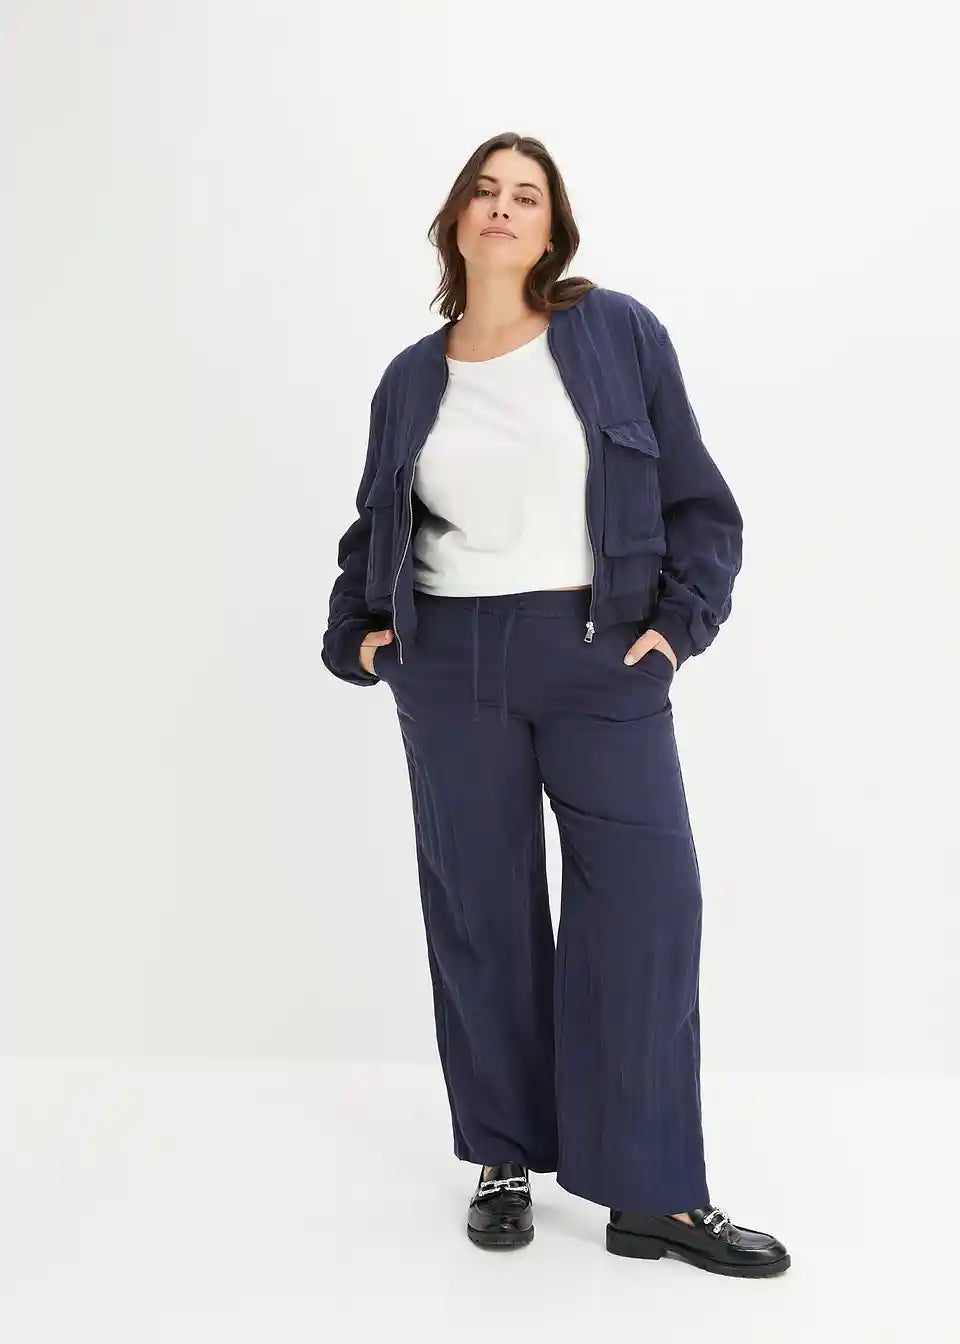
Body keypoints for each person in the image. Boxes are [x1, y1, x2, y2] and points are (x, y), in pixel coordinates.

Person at [321, 132, 790, 1277]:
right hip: (450, 664)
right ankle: (503, 1158)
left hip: (598, 654)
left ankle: (654, 1195)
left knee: (648, 910)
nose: (503, 206)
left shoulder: (614, 332)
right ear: (456, 219)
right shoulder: (410, 378)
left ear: (552, 227)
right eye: (485, 190)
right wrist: (366, 640)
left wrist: (675, 630)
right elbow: (374, 525)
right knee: (480, 912)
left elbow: (698, 500)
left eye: (526, 194)